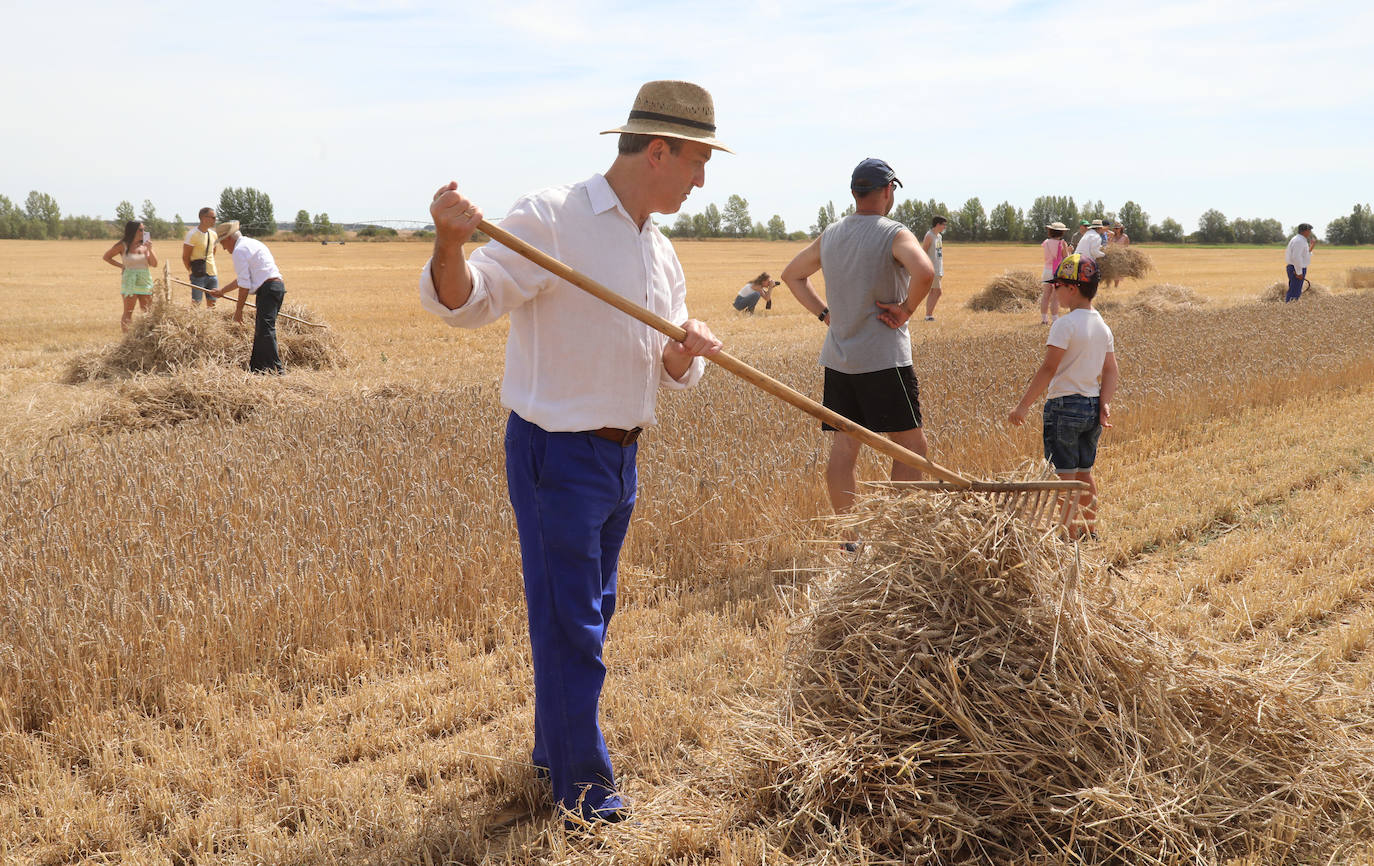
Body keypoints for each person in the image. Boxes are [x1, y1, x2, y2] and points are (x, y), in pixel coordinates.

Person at [419, 80, 725, 827]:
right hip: (557, 453)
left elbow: (669, 365)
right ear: (659, 150)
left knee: (589, 616)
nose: (702, 178)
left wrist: (690, 352)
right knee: (572, 628)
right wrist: (450, 242)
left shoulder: (660, 251)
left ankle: (554, 754)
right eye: (696, 161)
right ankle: (586, 793)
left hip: (622, 459)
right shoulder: (551, 218)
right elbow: (466, 302)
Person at [780, 157, 935, 545]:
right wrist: (906, 310)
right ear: (888, 191)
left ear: (854, 192)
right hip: (884, 359)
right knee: (912, 446)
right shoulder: (893, 232)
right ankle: (897, 539)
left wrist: (825, 314)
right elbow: (926, 272)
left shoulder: (831, 234)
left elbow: (792, 275)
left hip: (840, 360)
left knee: (845, 445)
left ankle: (852, 538)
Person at [1009, 253, 1119, 539]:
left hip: (1064, 408)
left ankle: (1067, 535)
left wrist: (1022, 406)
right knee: (1085, 474)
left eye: (1057, 286)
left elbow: (1048, 369)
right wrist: (1105, 402)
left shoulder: (1064, 325)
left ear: (1072, 288)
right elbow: (1111, 371)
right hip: (1092, 408)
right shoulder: (1102, 326)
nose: (1054, 291)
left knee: (1064, 478)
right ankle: (1089, 530)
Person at [205, 221, 287, 373]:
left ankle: (277, 370)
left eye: (223, 243)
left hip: (268, 290)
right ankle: (258, 369)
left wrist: (238, 311)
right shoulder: (252, 244)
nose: (223, 248)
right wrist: (223, 291)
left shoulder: (239, 250)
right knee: (262, 329)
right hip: (276, 288)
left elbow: (244, 285)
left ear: (229, 239)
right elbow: (244, 279)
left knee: (265, 330)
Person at [102, 220, 158, 332]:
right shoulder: (122, 245)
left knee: (147, 312)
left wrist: (150, 250)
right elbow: (106, 257)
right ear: (133, 231)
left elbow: (154, 264)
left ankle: (147, 337)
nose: (143, 232)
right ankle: (127, 340)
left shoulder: (145, 245)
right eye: (141, 229)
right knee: (128, 312)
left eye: (144, 229)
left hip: (145, 280)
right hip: (129, 280)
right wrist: (122, 266)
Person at [182, 207, 220, 308]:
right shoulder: (192, 234)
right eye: (213, 217)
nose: (215, 220)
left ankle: (210, 323)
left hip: (212, 273)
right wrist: (191, 271)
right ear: (204, 218)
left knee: (213, 304)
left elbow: (213, 251)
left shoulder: (214, 235)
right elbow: (185, 257)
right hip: (197, 274)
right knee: (196, 304)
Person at [1040, 221, 1071, 324]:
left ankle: (1044, 319)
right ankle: (1055, 319)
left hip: (1047, 270)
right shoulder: (1062, 243)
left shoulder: (1046, 242)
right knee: (1055, 297)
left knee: (1045, 296)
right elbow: (1066, 258)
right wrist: (1069, 250)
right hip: (1057, 272)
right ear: (1061, 232)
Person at [920, 215, 947, 321]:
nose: (945, 227)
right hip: (932, 269)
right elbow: (923, 252)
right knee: (937, 292)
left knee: (933, 292)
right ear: (937, 224)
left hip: (938, 268)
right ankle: (928, 315)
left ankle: (928, 315)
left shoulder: (939, 236)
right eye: (943, 225)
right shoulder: (929, 236)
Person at [1285, 223, 1315, 301]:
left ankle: (1290, 309)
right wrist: (1299, 272)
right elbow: (1296, 257)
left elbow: (1303, 255)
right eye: (1309, 230)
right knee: (1294, 293)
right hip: (1296, 268)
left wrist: (1311, 247)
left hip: (1295, 268)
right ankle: (1289, 310)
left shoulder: (1299, 239)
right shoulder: (1299, 241)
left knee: (1295, 292)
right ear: (1305, 231)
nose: (1310, 232)